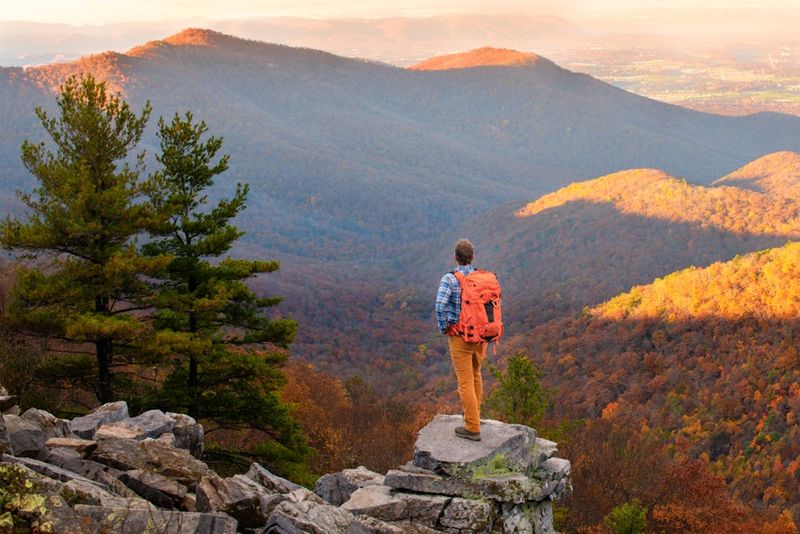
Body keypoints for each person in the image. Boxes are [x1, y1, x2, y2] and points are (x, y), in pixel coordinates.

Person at [435, 239, 486, 441]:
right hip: (480, 336)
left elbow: (439, 306)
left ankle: (472, 427)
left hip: (460, 336)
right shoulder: (481, 277)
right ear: (472, 257)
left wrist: (445, 327)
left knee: (465, 381)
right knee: (476, 375)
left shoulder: (450, 279)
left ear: (455, 257)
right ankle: (475, 415)